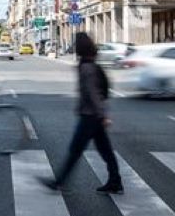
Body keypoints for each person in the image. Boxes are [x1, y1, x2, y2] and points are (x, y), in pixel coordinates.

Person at [41, 32, 121, 194]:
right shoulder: (89, 64)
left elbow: (92, 93)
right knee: (105, 150)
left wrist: (102, 115)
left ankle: (59, 182)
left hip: (90, 116)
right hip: (93, 116)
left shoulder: (86, 68)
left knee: (76, 150)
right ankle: (115, 181)